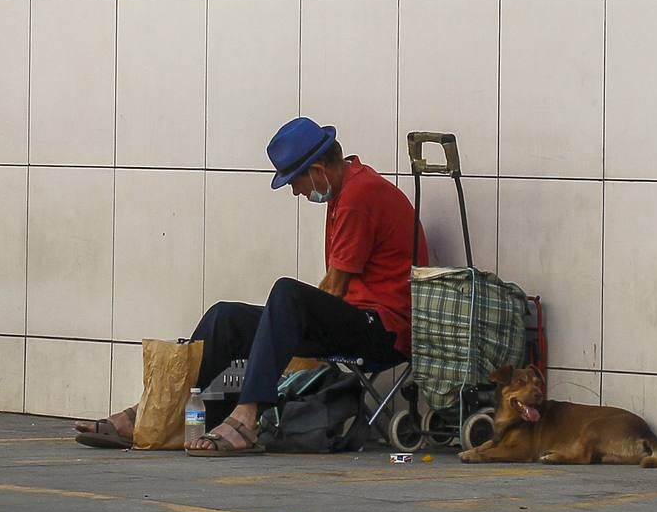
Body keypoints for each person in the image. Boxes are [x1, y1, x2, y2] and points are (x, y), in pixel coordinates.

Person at [73, 117, 425, 455]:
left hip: (384, 330)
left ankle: (246, 417)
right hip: (355, 319)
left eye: (294, 183)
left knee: (287, 295)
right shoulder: (344, 192)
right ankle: (163, 410)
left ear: (317, 171)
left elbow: (331, 292)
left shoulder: (359, 195)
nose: (295, 193)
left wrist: (283, 326)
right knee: (225, 318)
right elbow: (329, 295)